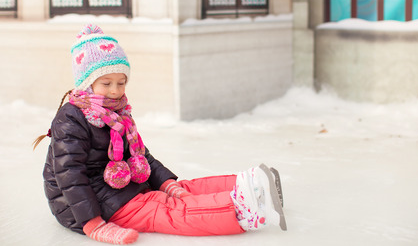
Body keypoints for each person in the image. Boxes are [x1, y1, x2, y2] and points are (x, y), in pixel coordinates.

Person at [33, 24, 286, 245]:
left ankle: (246, 184)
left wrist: (167, 182)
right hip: (85, 206)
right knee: (164, 209)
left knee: (178, 190)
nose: (115, 90)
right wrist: (93, 224)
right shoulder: (72, 118)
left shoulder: (118, 112)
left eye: (121, 82)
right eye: (106, 83)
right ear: (87, 83)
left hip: (117, 186)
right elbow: (69, 177)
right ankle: (240, 210)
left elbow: (140, 154)